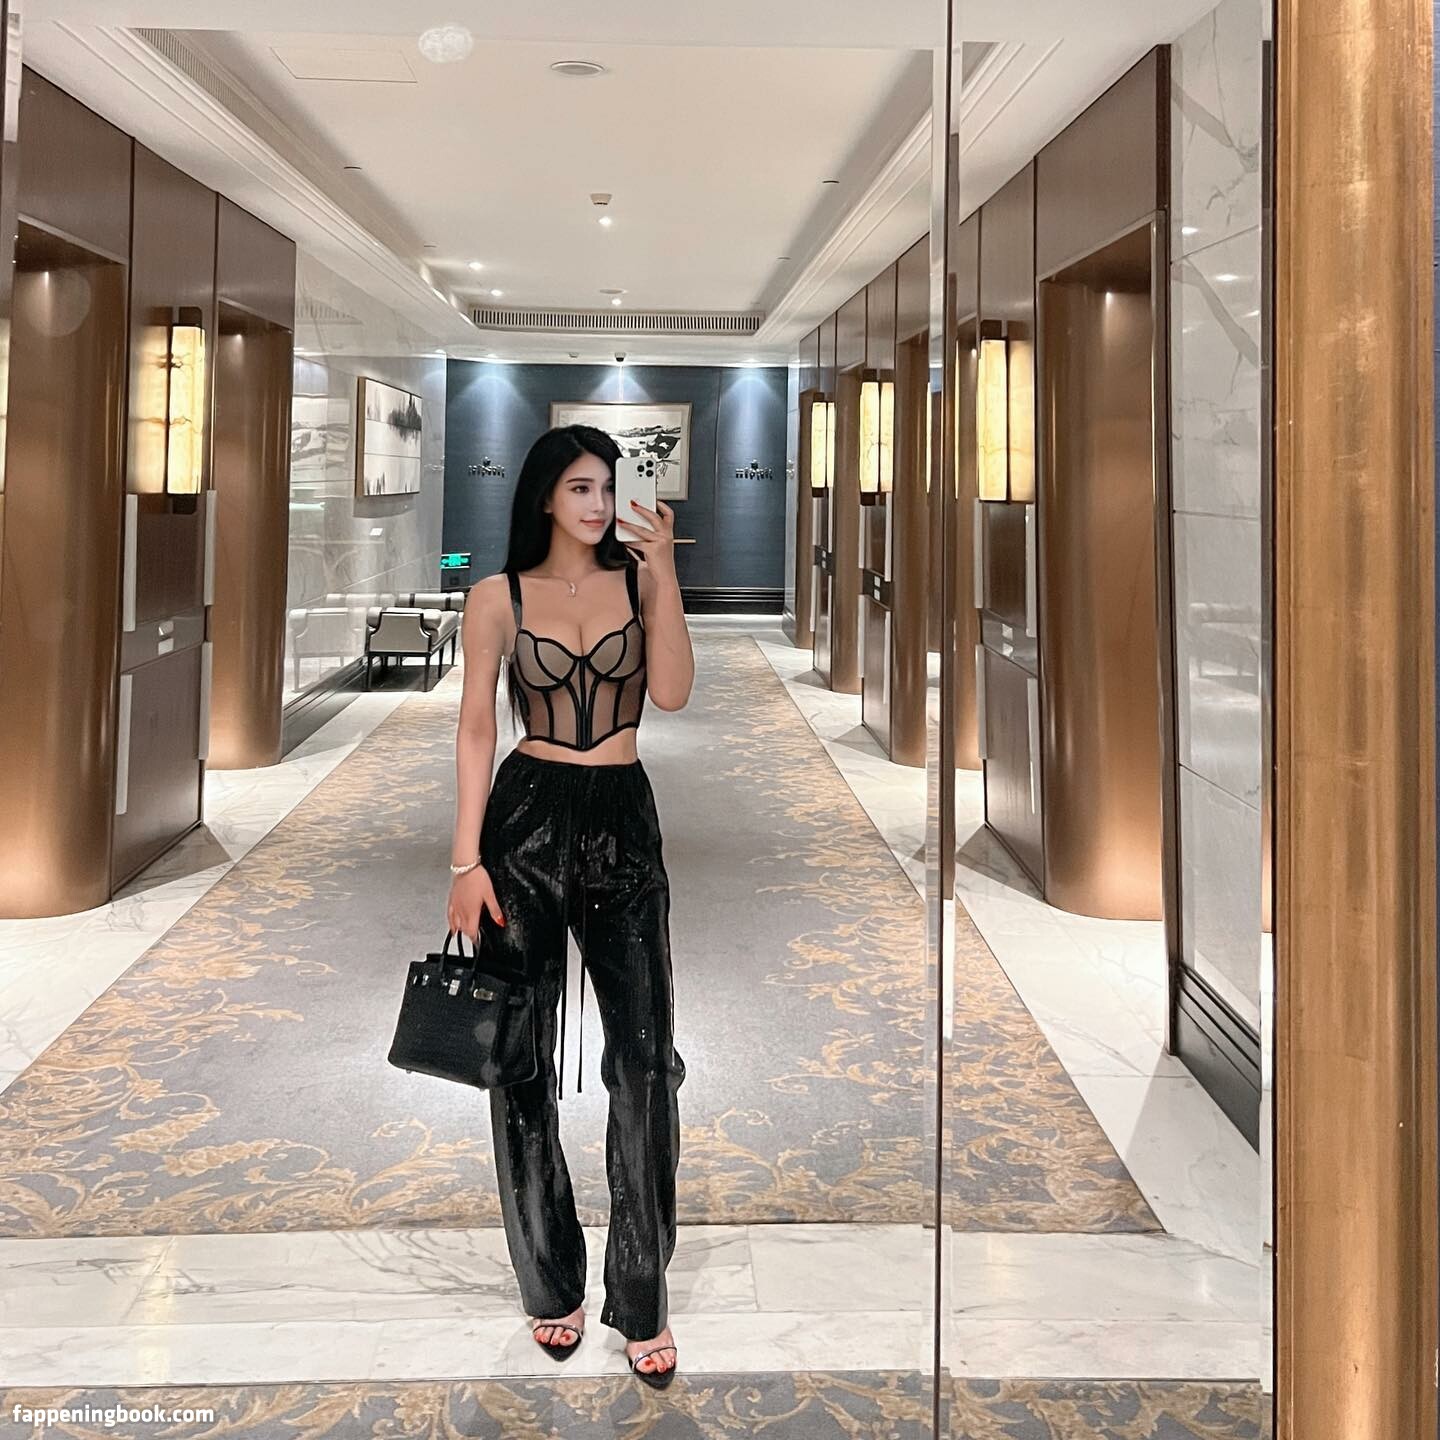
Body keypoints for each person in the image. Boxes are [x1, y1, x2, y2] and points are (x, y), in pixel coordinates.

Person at [445, 424, 694, 1388]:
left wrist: (663, 571)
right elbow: (476, 727)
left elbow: (671, 692)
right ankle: (550, 1278)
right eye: (580, 488)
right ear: (547, 496)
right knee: (520, 1058)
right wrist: (466, 859)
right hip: (527, 821)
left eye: (607, 488)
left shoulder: (639, 583)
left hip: (625, 816)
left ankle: (641, 1291)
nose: (597, 505)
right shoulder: (497, 596)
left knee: (645, 1060)